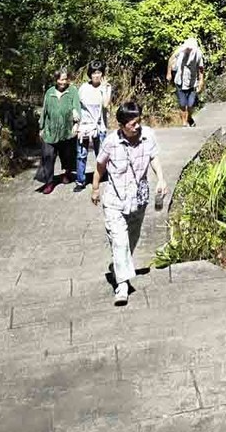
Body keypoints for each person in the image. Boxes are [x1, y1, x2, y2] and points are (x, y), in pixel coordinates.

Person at [91, 100, 166, 306]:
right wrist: (95, 188)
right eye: (132, 124)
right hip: (115, 200)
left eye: (138, 121)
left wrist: (161, 178)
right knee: (119, 241)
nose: (137, 126)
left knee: (131, 241)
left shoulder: (148, 135)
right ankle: (122, 286)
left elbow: (154, 157)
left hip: (139, 200)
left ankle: (119, 267)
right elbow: (100, 166)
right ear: (122, 125)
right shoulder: (111, 142)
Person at [35, 68, 79, 194]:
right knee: (48, 155)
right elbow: (44, 110)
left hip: (66, 130)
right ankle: (49, 182)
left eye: (65, 79)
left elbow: (77, 107)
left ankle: (67, 173)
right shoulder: (49, 92)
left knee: (67, 155)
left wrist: (76, 124)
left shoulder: (72, 91)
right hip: (50, 130)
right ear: (56, 79)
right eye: (60, 79)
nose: (63, 82)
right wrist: (41, 127)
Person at [74, 62, 112, 191]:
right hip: (84, 127)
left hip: (100, 127)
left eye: (99, 72)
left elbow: (106, 104)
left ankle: (102, 175)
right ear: (90, 74)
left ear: (102, 74)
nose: (96, 75)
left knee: (101, 154)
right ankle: (80, 181)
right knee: (81, 154)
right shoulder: (83, 88)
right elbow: (77, 106)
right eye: (94, 73)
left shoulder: (107, 87)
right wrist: (76, 124)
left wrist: (104, 88)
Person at [166, 34, 206, 126]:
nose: (188, 49)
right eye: (187, 48)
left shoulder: (198, 54)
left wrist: (201, 81)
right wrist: (169, 73)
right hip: (179, 81)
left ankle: (189, 118)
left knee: (191, 104)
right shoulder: (180, 50)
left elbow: (200, 68)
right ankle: (184, 122)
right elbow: (171, 59)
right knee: (182, 103)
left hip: (192, 82)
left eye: (190, 48)